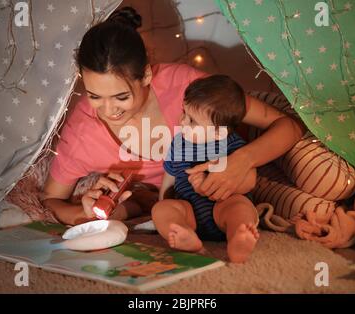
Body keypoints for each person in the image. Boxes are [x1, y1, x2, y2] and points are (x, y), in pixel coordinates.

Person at [41, 7, 305, 226]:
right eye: (95, 96)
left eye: (121, 97)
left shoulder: (182, 85)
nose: (108, 111)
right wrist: (83, 213)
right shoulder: (83, 133)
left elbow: (288, 127)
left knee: (327, 177)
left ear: (146, 75)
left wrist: (242, 160)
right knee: (310, 205)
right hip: (210, 191)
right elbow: (49, 201)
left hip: (244, 125)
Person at [152, 75, 260, 263]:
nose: (183, 122)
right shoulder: (178, 144)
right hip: (189, 212)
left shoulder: (232, 146)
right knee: (161, 209)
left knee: (240, 207)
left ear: (219, 132)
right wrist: (164, 203)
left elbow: (249, 181)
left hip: (223, 208)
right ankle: (184, 234)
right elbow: (169, 177)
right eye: (183, 113)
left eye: (192, 121)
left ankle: (237, 237)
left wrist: (210, 181)